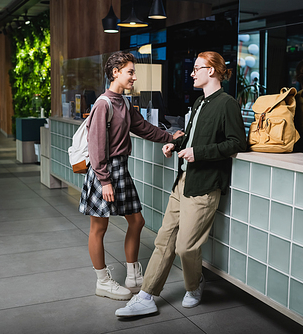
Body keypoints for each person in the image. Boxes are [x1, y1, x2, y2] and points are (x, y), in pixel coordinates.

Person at [115, 51, 247, 317]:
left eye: (197, 68)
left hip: (205, 184)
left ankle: (194, 284)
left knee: (186, 247)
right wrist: (175, 144)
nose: (192, 72)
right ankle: (146, 296)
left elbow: (236, 143)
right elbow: (191, 136)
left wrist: (198, 153)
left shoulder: (227, 103)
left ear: (211, 70)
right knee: (163, 241)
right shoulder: (199, 102)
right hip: (183, 181)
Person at [79, 51, 183, 301]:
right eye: (130, 72)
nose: (134, 77)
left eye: (134, 72)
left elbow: (143, 127)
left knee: (136, 222)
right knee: (98, 227)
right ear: (115, 72)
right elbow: (96, 146)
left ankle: (133, 275)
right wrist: (104, 180)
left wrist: (171, 137)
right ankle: (103, 281)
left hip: (120, 170)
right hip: (104, 170)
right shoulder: (103, 104)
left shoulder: (124, 103)